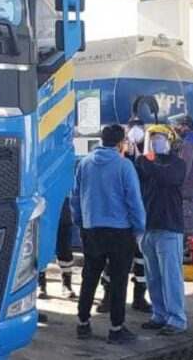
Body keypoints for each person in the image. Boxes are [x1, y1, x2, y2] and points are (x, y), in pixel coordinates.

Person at [70, 124, 147, 344]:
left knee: (89, 277)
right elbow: (134, 201)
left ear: (101, 141)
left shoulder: (84, 164)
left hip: (91, 229)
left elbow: (75, 197)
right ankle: (116, 329)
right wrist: (140, 229)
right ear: (121, 143)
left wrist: (80, 223)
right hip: (120, 233)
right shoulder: (124, 167)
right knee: (118, 280)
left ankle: (83, 324)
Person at [136, 125, 188, 336]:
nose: (155, 142)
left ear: (170, 142)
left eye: (159, 138)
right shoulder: (149, 165)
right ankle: (159, 315)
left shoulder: (178, 165)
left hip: (169, 228)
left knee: (171, 277)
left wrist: (141, 160)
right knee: (154, 277)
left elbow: (166, 177)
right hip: (149, 229)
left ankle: (177, 319)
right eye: (153, 138)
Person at [97, 118, 151, 314]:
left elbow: (151, 175)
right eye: (132, 128)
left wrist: (139, 155)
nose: (136, 131)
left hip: (138, 214)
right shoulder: (118, 158)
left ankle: (139, 297)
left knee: (140, 260)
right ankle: (108, 297)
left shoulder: (147, 152)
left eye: (140, 128)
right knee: (112, 261)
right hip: (119, 218)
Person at [38, 201, 77, 300]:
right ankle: (41, 284)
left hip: (64, 201)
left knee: (64, 246)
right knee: (41, 245)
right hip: (43, 200)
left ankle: (66, 284)